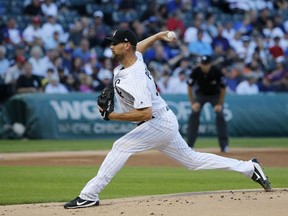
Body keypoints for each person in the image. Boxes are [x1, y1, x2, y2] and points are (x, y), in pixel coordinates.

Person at [64, 29, 271, 209]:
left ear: (126, 46)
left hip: (157, 122)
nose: (111, 46)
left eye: (114, 43)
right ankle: (249, 167)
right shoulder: (134, 59)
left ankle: (88, 195)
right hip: (163, 121)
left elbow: (145, 113)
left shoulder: (134, 77)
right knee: (192, 160)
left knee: (121, 146)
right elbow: (140, 47)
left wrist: (112, 116)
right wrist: (159, 35)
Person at [187, 55, 229, 152]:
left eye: (206, 64)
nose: (204, 66)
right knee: (194, 113)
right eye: (202, 64)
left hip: (215, 95)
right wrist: (193, 103)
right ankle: (190, 145)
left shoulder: (217, 71)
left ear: (210, 64)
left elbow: (223, 89)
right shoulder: (196, 71)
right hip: (200, 95)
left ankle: (224, 146)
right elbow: (189, 87)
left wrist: (219, 104)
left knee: (220, 115)